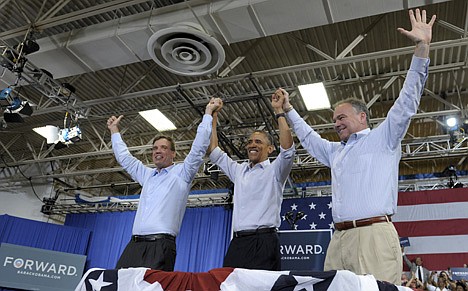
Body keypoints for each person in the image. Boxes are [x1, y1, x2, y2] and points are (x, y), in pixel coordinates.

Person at [277, 9, 435, 284]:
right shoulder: (335, 151)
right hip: (338, 239)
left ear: (362, 116)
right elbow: (310, 137)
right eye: (334, 119)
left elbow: (407, 100)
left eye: (342, 117)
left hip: (374, 235)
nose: (336, 123)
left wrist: (422, 48)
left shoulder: (384, 137)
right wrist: (288, 109)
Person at [107, 98, 222, 270]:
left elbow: (198, 148)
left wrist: (207, 115)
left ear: (173, 153)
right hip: (134, 245)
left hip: (160, 246)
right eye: (154, 148)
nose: (157, 151)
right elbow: (125, 158)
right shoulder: (146, 175)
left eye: (163, 148)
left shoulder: (182, 173)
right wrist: (114, 131)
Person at [207, 92, 295, 270]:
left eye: (258, 141)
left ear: (270, 148)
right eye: (249, 142)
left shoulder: (275, 170)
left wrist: (279, 111)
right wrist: (213, 116)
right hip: (238, 242)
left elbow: (287, 150)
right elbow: (213, 150)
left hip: (265, 242)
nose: (252, 144)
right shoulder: (239, 171)